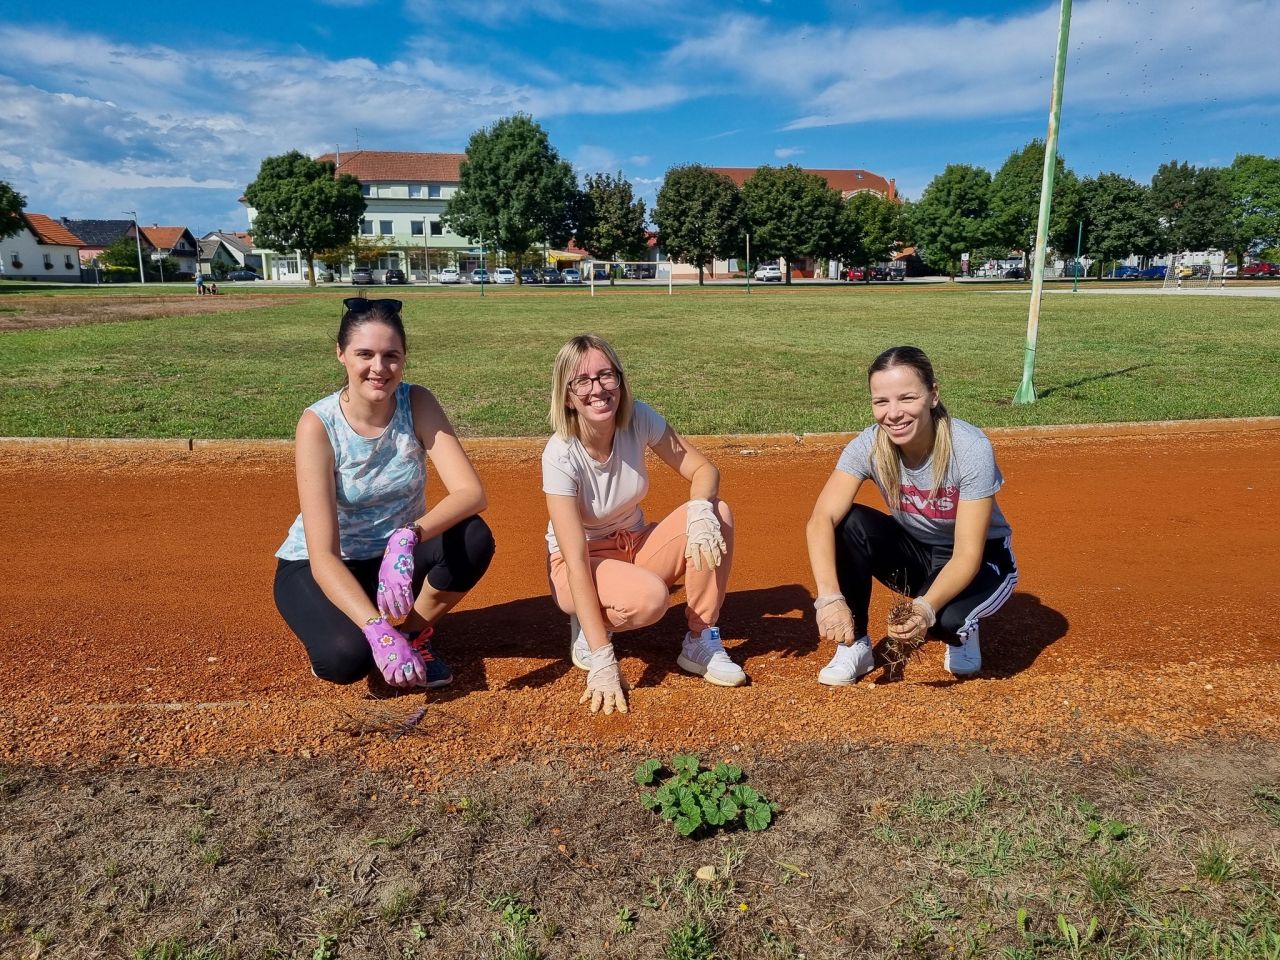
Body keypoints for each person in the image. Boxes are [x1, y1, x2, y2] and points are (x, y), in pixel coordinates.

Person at [273, 298, 495, 695]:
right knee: (345, 660)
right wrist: (376, 630)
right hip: (321, 565)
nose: (379, 368)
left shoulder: (417, 402)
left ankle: (412, 634)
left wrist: (406, 536)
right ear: (340, 355)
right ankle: (371, 630)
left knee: (473, 537)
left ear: (404, 359)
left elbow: (471, 492)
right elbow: (322, 553)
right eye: (365, 354)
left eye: (391, 355)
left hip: (396, 561)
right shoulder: (317, 425)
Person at [543, 334, 746, 715]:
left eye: (607, 376)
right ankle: (591, 628)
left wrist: (700, 506)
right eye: (582, 381)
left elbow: (702, 468)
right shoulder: (559, 455)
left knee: (718, 512)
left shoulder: (638, 418)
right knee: (650, 600)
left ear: (620, 379)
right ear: (567, 395)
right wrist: (603, 658)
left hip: (634, 544)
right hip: (580, 562)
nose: (598, 389)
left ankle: (701, 639)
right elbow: (572, 560)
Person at [805, 346, 1017, 684]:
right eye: (881, 402)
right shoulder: (869, 445)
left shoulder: (970, 447)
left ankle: (960, 631)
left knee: (945, 620)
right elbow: (821, 520)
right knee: (848, 523)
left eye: (907, 398)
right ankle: (854, 644)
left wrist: (924, 609)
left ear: (933, 395)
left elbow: (967, 554)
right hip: (918, 552)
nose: (893, 413)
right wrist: (829, 597)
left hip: (980, 557)